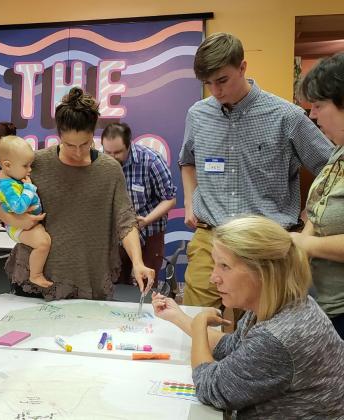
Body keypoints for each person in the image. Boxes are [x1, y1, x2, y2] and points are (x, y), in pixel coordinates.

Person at [179, 32, 334, 308]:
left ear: (242, 68)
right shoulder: (197, 114)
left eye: (222, 80)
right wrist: (190, 201)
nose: (215, 91)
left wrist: (310, 216)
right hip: (210, 237)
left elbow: (330, 166)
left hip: (265, 243)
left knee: (262, 331)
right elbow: (187, 160)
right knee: (197, 321)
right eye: (208, 83)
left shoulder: (288, 116)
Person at [152, 216, 344, 418]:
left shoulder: (277, 337)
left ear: (263, 272)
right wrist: (178, 317)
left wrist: (200, 323)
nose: (213, 277)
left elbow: (211, 387)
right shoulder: (281, 304)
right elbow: (231, 347)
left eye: (225, 266)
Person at [0, 87, 154, 300]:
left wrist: (138, 262)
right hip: (39, 280)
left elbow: (126, 221)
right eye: (70, 145)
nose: (78, 152)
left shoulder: (109, 170)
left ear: (94, 134)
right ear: (58, 135)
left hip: (89, 277)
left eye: (85, 144)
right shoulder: (35, 164)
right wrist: (13, 219)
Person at [291, 53, 344, 339]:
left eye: (320, 105)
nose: (312, 115)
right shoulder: (338, 150)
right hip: (325, 304)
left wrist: (305, 243)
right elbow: (318, 207)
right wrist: (302, 243)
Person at [101, 122, 176, 285]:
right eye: (108, 152)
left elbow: (170, 198)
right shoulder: (100, 162)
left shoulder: (151, 160)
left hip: (150, 232)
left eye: (118, 152)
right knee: (115, 283)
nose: (112, 157)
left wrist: (146, 220)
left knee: (146, 283)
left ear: (129, 145)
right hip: (117, 235)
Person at [0, 136, 52, 288]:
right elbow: (19, 207)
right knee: (43, 243)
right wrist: (29, 188)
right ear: (7, 165)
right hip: (17, 228)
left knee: (44, 240)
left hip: (26, 224)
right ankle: (36, 275)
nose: (30, 170)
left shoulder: (13, 179)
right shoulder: (7, 186)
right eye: (26, 166)